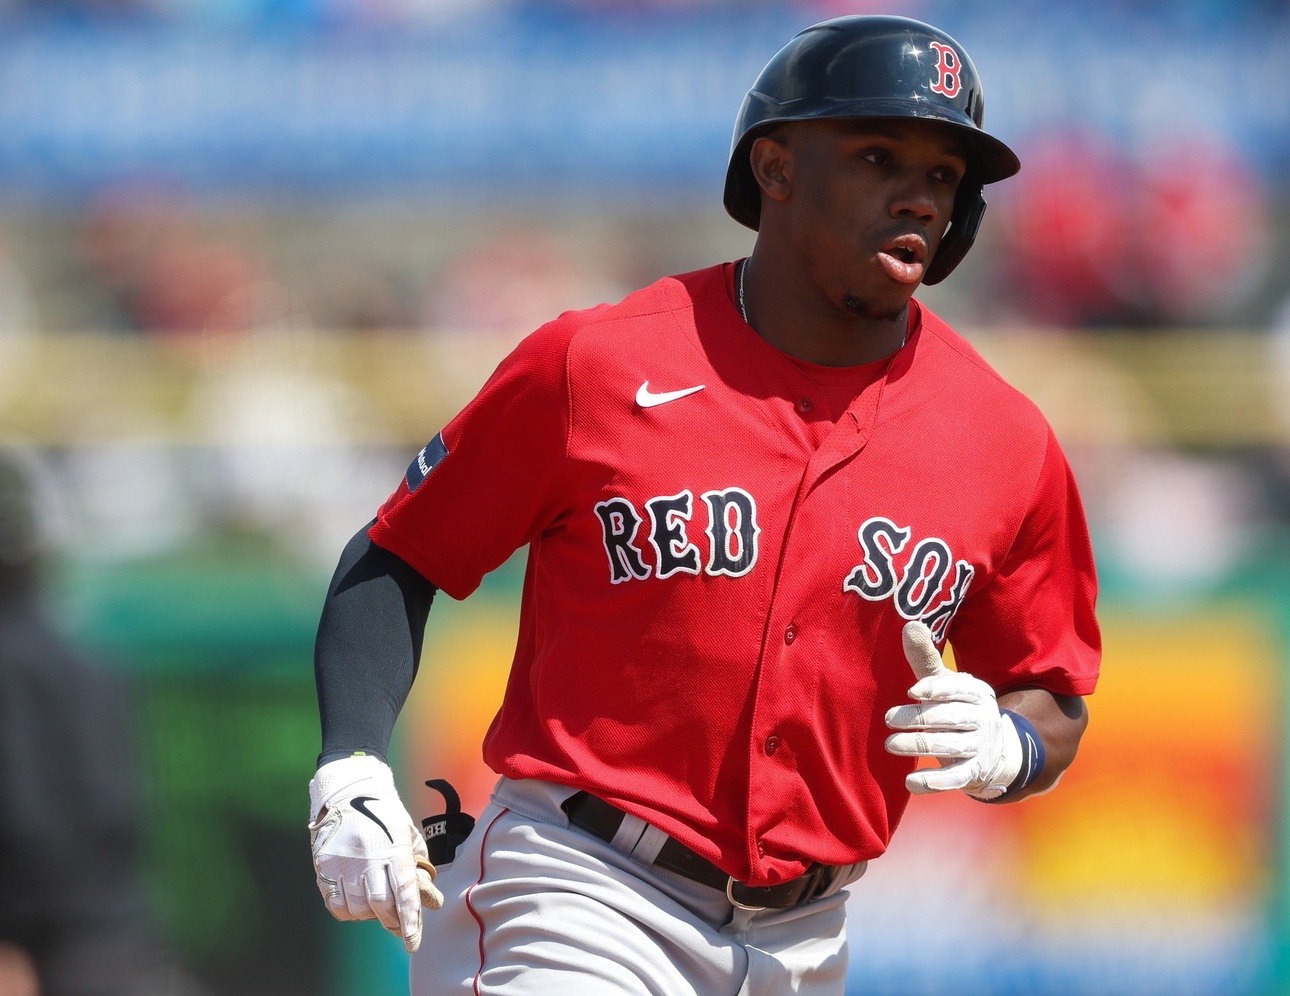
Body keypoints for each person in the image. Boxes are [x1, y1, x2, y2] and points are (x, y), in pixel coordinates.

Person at [307, 15, 1100, 994]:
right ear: (773, 168)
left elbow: (1053, 691)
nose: (917, 194)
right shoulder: (598, 365)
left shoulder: (1004, 438)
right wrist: (349, 763)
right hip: (582, 884)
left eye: (943, 175)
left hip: (810, 934)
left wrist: (1009, 745)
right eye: (876, 154)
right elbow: (401, 556)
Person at [0, 448, 185, 995]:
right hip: (122, 942)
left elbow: (21, 823)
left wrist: (4, 937)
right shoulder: (89, 659)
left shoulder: (4, 666)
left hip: (46, 955)